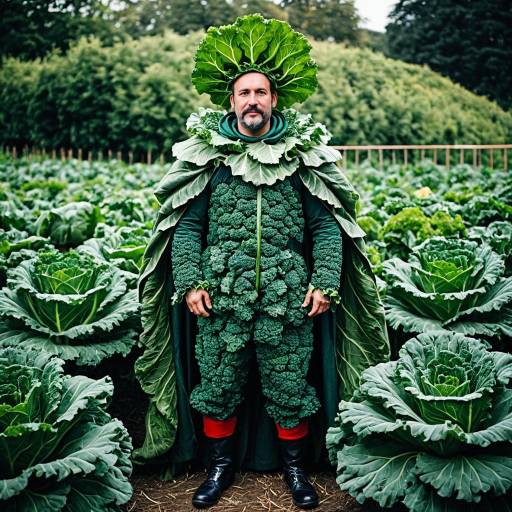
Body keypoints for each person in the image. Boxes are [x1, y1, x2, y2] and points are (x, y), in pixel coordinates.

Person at [134, 13, 389, 511]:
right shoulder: (209, 158)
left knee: (289, 385)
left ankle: (296, 473)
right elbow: (186, 227)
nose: (252, 101)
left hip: (287, 299)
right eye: (243, 93)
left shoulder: (302, 158)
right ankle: (218, 470)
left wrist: (325, 281)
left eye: (261, 93)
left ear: (275, 100)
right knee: (219, 386)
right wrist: (188, 281)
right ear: (231, 101)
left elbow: (324, 226)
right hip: (221, 297)